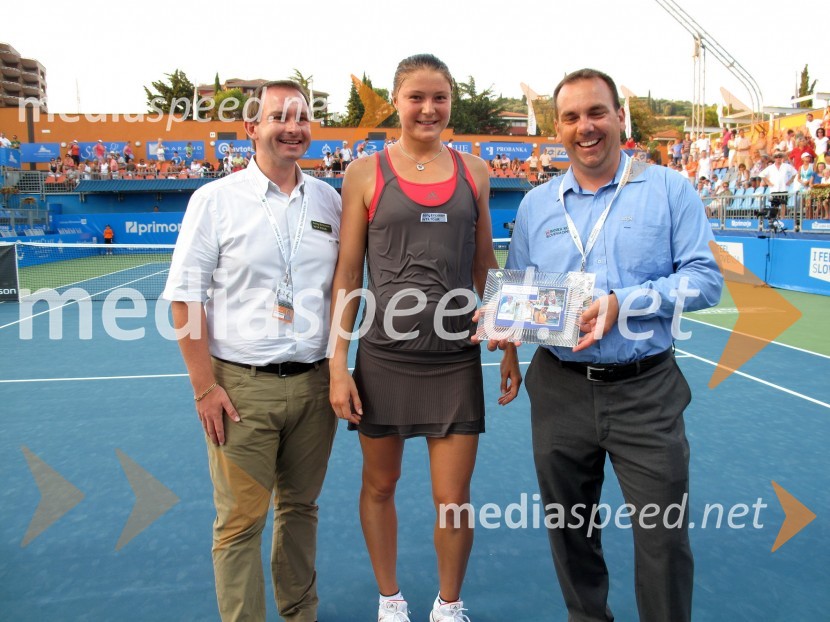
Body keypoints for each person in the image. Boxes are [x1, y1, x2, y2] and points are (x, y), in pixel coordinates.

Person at [498, 68, 722, 622]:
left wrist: (627, 301)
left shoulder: (670, 190)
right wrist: (507, 341)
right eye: (571, 117)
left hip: (645, 390)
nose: (585, 126)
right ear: (558, 128)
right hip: (559, 391)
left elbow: (705, 279)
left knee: (663, 541)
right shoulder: (536, 206)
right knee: (570, 533)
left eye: (597, 112)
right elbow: (520, 292)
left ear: (620, 117)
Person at [329, 53, 520, 622]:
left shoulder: (475, 172)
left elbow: (486, 264)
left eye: (440, 98)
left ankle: (448, 604)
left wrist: (509, 343)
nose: (428, 108)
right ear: (396, 102)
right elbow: (347, 273)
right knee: (380, 485)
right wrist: (338, 364)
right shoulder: (364, 172)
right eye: (417, 97)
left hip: (455, 362)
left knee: (453, 500)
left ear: (450, 104)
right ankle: (389, 600)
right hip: (383, 360)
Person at [162, 80, 342, 622]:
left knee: (300, 509)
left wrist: (338, 368)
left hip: (313, 384)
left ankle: (299, 613)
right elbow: (184, 299)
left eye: (303, 116)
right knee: (240, 524)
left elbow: (341, 294)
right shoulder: (215, 201)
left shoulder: (329, 201)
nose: (294, 126)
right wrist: (204, 388)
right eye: (280, 116)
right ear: (252, 128)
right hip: (240, 388)